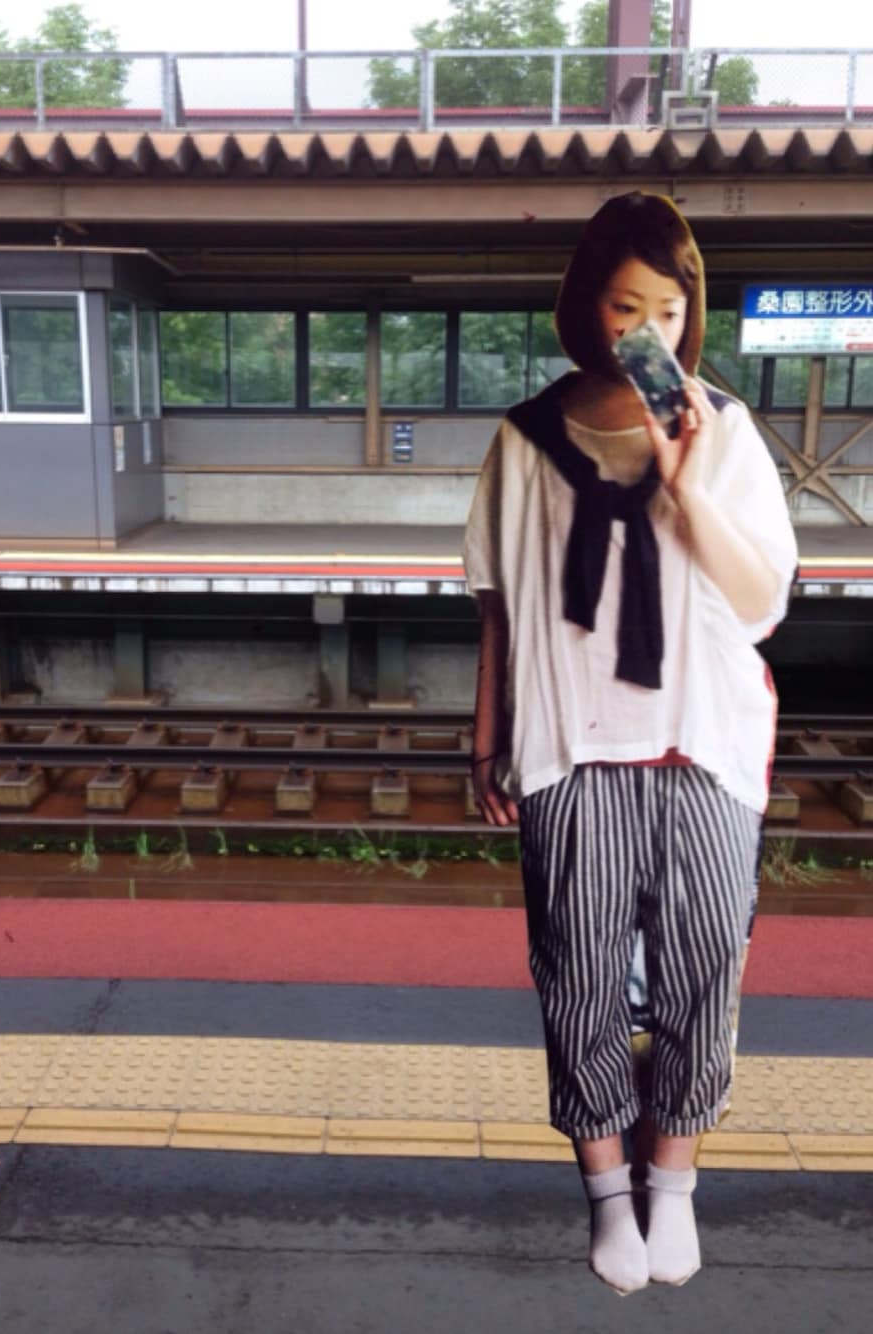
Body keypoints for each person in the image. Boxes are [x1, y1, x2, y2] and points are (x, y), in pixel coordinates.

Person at [462, 192, 797, 1295]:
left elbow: (759, 603)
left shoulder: (726, 430)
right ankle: (607, 1185)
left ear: (690, 313)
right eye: (623, 306)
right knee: (579, 976)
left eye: (667, 308)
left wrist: (685, 480)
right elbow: (500, 607)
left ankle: (673, 1179)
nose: (647, 330)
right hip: (570, 749)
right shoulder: (523, 440)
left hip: (704, 748)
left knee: (705, 971)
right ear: (585, 306)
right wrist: (486, 742)